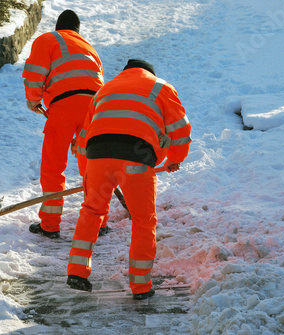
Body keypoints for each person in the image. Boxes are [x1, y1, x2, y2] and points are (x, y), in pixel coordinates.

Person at [66, 59, 192, 300]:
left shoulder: (105, 89)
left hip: (97, 155)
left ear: (125, 73)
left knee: (92, 210)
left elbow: (83, 136)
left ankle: (77, 272)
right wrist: (174, 159)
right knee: (143, 220)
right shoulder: (160, 87)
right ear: (148, 72)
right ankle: (140, 286)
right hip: (136, 156)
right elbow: (181, 131)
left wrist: (89, 173)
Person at [22, 10, 104, 239]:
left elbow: (35, 72)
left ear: (59, 27)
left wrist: (33, 100)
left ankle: (50, 224)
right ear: (77, 31)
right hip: (94, 108)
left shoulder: (48, 40)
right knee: (93, 165)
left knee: (53, 166)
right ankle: (99, 221)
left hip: (63, 105)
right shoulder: (88, 47)